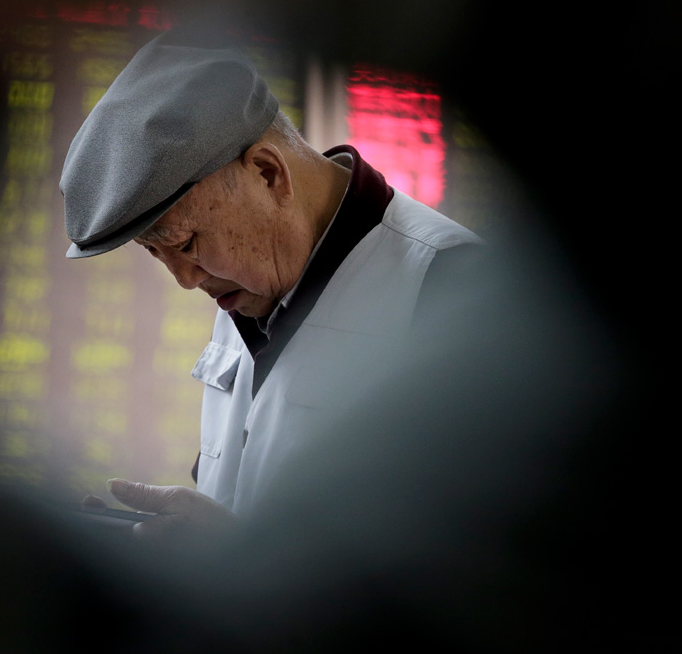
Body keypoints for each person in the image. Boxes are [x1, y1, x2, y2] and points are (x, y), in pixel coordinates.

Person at [60, 27, 482, 541]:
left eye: (188, 242)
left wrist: (244, 559)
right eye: (154, 252)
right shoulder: (246, 283)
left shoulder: (455, 290)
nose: (186, 280)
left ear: (266, 172)